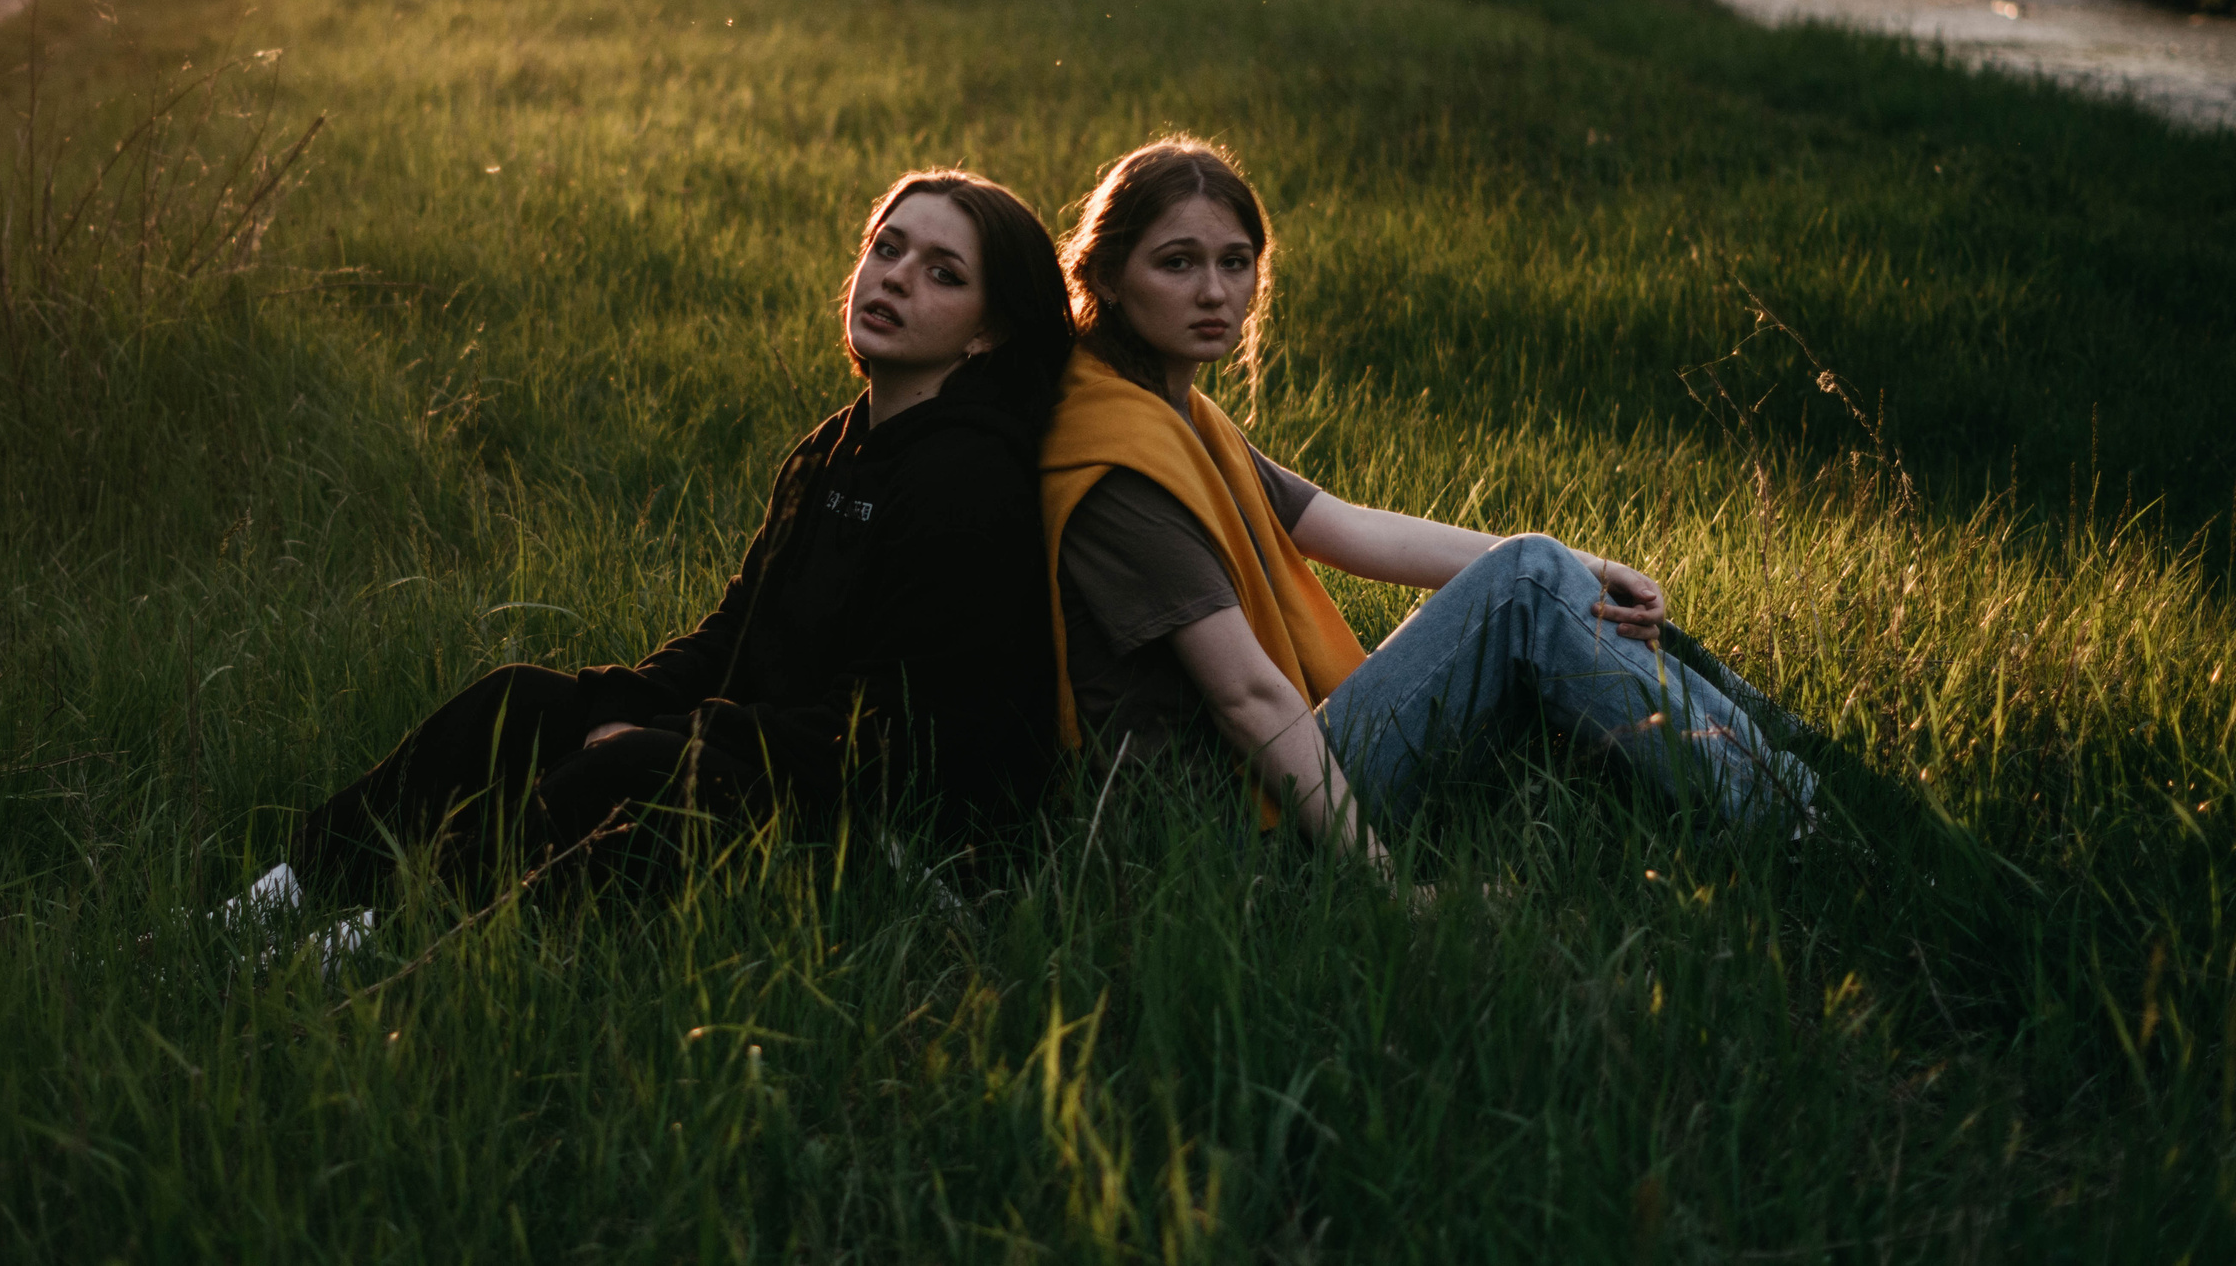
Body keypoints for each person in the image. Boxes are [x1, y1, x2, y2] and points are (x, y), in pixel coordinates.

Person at [230, 169, 1074, 945]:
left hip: (884, 826)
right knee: (520, 700)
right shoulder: (836, 448)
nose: (895, 276)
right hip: (782, 754)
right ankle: (268, 903)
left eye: (942, 273)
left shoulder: (970, 480)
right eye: (887, 249)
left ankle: (381, 943)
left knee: (632, 764)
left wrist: (668, 733)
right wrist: (614, 700)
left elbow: (891, 734)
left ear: (988, 334)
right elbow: (736, 635)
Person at [1039, 137, 1816, 868]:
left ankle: (1792, 774)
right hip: (1231, 826)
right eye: (1177, 263)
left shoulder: (1172, 411)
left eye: (1235, 262)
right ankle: (1795, 819)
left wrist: (1586, 566)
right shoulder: (1120, 456)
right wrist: (1379, 877)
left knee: (1541, 573)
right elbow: (1246, 696)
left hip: (1261, 785)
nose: (1214, 291)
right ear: (1106, 275)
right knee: (1528, 578)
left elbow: (1345, 526)